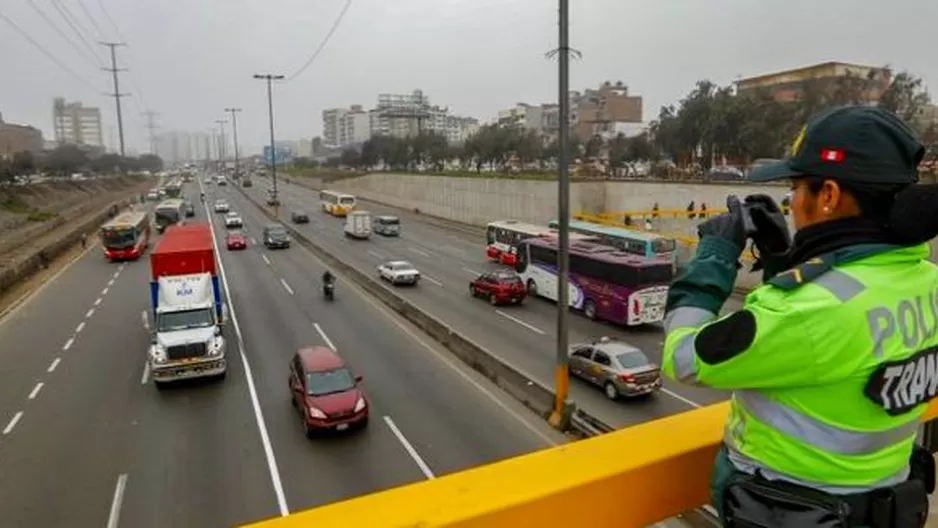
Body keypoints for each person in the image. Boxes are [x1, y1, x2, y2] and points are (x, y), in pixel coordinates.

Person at [662, 106, 937, 527]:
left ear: (827, 195)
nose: (791, 201)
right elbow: (831, 339)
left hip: (795, 511)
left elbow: (683, 358)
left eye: (795, 187)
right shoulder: (926, 280)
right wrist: (784, 255)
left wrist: (713, 260)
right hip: (886, 502)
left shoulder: (809, 313)